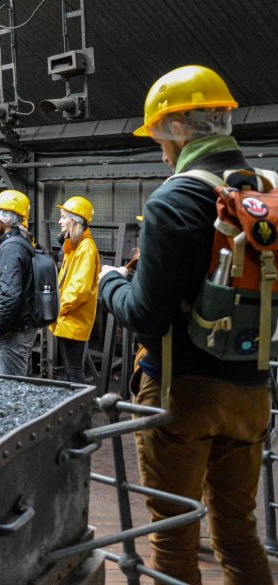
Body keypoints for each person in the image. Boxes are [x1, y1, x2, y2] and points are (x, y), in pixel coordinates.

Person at [98, 65, 272, 583]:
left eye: (157, 134)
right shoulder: (266, 191)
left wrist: (111, 282)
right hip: (252, 388)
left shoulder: (175, 199)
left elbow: (145, 313)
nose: (159, 149)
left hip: (180, 391)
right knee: (239, 529)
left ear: (178, 128)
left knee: (172, 538)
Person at [50, 196, 100, 383]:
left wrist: (58, 309)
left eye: (63, 217)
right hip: (69, 318)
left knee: (74, 371)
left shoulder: (86, 248)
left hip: (72, 318)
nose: (60, 221)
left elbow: (80, 288)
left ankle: (83, 410)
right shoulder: (75, 246)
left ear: (75, 220)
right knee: (72, 370)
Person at [0, 189, 38, 377]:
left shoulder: (11, 248)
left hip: (13, 331)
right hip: (20, 327)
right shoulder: (21, 242)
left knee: (13, 388)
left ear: (6, 217)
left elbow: (10, 294)